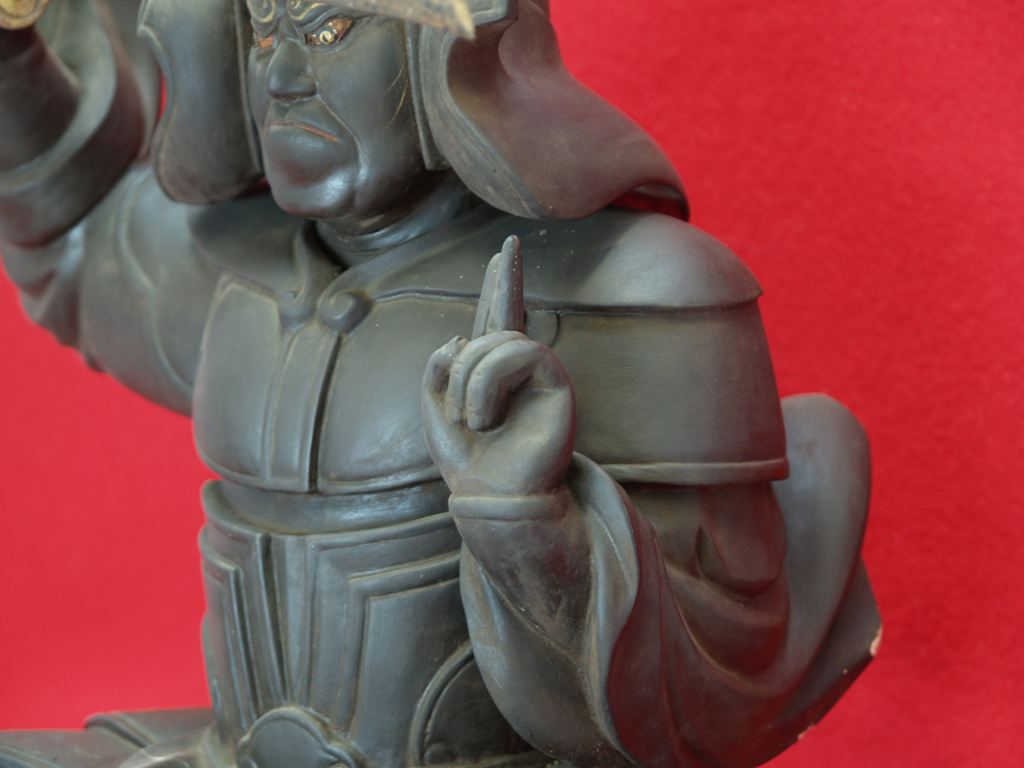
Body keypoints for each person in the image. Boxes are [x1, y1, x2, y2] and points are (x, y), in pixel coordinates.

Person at [0, 1, 880, 766]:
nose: (283, 76)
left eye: (330, 29)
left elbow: (722, 688)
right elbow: (73, 238)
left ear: (449, 50)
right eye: (265, 30)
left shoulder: (637, 291)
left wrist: (528, 524)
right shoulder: (234, 271)